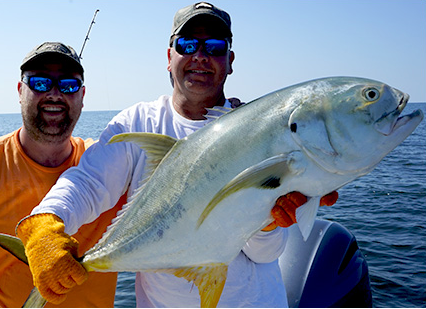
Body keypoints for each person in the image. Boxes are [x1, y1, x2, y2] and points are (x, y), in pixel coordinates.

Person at [16, 3, 337, 308]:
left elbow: (266, 255)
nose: (200, 56)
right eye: (187, 44)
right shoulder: (138, 124)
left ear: (230, 59)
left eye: (214, 47)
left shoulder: (259, 130)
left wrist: (266, 225)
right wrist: (45, 224)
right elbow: (88, 183)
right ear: (169, 56)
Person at [0, 42, 124, 307]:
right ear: (20, 91)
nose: (55, 94)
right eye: (41, 83)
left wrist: (228, 121)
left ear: (82, 95)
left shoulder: (106, 164)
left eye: (68, 85)